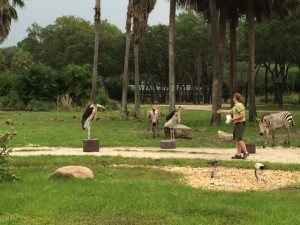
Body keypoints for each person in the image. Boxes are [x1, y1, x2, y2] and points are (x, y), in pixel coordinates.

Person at [217, 92, 249, 159]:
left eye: (234, 97)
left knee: (239, 139)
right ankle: (238, 154)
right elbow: (230, 111)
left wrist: (233, 119)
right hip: (236, 124)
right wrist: (221, 111)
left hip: (240, 124)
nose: (233, 98)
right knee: (237, 140)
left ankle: (246, 153)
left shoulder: (239, 105)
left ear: (236, 98)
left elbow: (242, 115)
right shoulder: (235, 106)